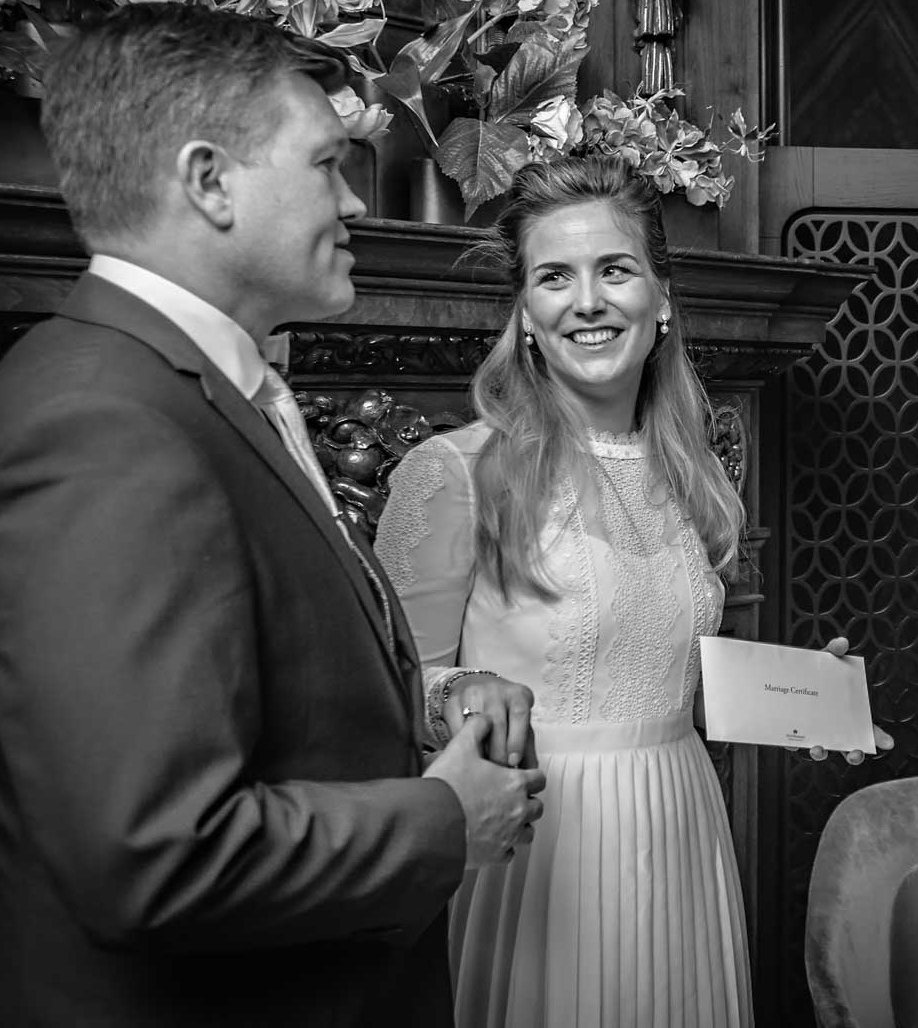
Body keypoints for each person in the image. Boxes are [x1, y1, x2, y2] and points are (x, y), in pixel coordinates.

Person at [0, 4, 546, 1026]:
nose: (355, 198)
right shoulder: (102, 424)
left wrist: (425, 714)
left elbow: (247, 682)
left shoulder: (188, 387)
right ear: (208, 180)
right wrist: (442, 816)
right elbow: (151, 852)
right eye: (325, 164)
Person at [375, 156, 887, 1028]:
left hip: (680, 821)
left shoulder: (691, 472)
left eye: (614, 269)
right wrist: (464, 693)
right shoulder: (455, 470)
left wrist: (800, 703)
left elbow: (658, 665)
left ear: (661, 301)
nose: (588, 301)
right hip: (535, 844)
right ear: (526, 317)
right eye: (553, 278)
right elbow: (390, 690)